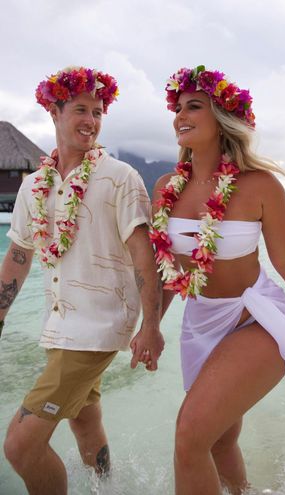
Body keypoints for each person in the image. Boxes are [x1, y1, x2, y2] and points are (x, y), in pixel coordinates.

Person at [149, 65, 285, 495]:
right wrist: (149, 328)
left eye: (193, 107)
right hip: (200, 324)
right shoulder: (167, 187)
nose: (179, 117)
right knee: (219, 441)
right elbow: (165, 270)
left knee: (189, 437)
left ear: (222, 118)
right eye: (178, 108)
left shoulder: (260, 186)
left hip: (256, 319)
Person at [1, 66, 164, 495]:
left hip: (99, 328)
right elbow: (18, 256)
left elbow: (143, 257)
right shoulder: (33, 185)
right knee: (85, 419)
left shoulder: (121, 177)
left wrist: (151, 326)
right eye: (79, 109)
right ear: (54, 111)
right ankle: (107, 487)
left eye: (97, 111)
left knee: (20, 446)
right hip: (58, 326)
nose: (90, 120)